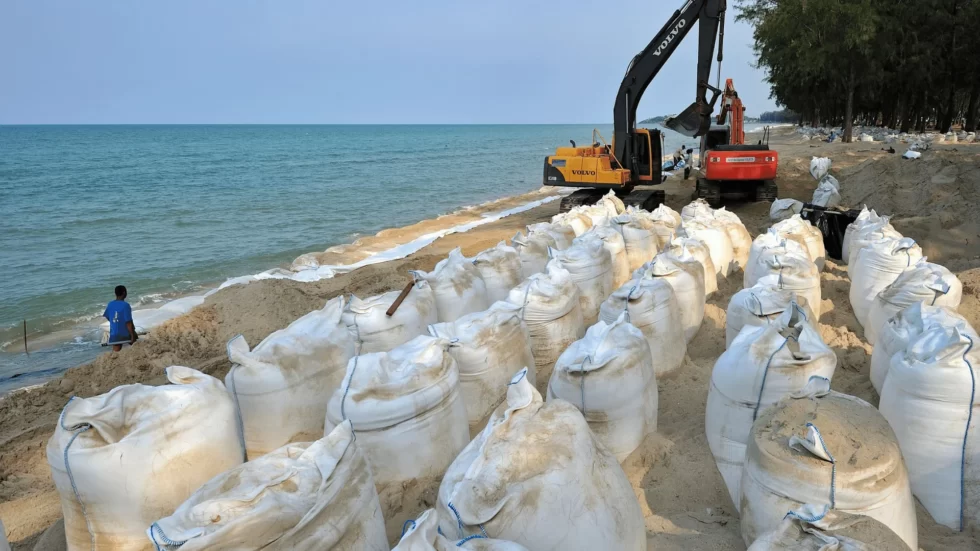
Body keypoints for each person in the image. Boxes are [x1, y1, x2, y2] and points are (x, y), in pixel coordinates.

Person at [104, 285, 137, 351]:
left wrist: (116, 323)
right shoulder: (125, 305)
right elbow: (128, 323)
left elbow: (108, 317)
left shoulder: (110, 304)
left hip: (114, 336)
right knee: (136, 342)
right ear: (124, 293)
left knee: (116, 350)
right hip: (124, 335)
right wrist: (132, 336)